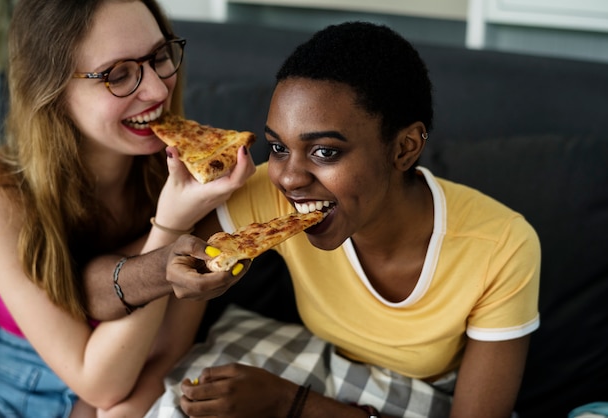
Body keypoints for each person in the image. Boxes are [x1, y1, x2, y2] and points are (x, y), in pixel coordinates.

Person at [84, 22, 541, 418]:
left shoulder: (500, 245)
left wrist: (292, 405)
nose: (288, 177)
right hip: (317, 359)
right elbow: (94, 291)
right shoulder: (271, 196)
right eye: (278, 147)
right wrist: (162, 263)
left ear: (404, 148)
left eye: (325, 151)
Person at [0, 0, 255, 417]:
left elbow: (165, 351)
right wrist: (169, 227)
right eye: (118, 75)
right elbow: (99, 381)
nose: (159, 90)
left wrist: (124, 411)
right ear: (50, 90)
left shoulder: (196, 173)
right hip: (1, 383)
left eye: (159, 56)